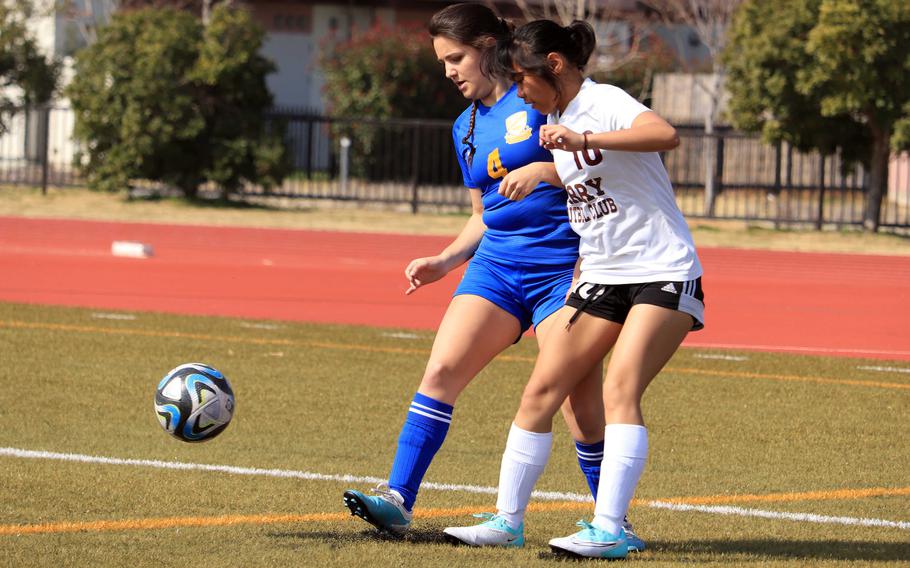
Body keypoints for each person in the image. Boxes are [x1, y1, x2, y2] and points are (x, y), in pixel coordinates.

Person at [342, 4, 645, 553]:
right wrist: (444, 260)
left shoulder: (542, 97)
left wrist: (547, 170)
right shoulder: (466, 125)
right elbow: (482, 214)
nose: (450, 71)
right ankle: (398, 498)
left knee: (579, 404)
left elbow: (598, 164)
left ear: (487, 46)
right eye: (442, 62)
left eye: (456, 57)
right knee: (441, 371)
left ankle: (613, 523)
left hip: (565, 268)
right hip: (496, 268)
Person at [442, 19, 704, 560]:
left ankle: (611, 528)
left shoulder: (603, 101)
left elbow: (664, 135)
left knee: (619, 391)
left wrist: (581, 139)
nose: (517, 91)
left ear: (554, 66)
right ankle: (506, 521)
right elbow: (589, 173)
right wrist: (545, 169)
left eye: (522, 79)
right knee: (541, 393)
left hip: (660, 268)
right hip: (602, 274)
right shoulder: (554, 118)